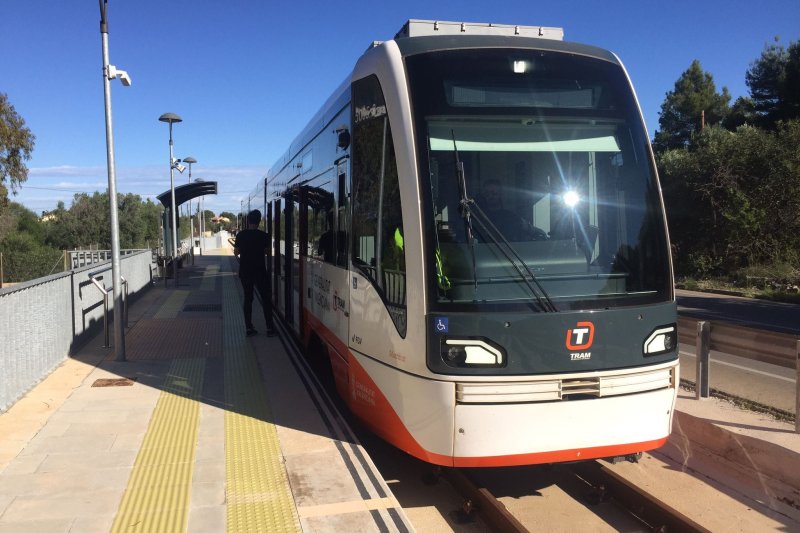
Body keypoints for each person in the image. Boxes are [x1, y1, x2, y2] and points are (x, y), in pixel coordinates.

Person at [234, 209, 275, 337]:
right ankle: (269, 328)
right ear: (259, 221)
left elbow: (236, 252)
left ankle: (249, 328)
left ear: (248, 221)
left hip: (245, 271)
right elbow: (268, 252)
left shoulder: (241, 235)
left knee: (248, 299)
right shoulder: (264, 236)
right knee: (266, 299)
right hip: (260, 272)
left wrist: (246, 250)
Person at [477, 179, 547, 241]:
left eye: (494, 193)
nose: (490, 196)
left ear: (500, 194)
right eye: (487, 193)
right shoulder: (478, 219)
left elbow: (539, 233)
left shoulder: (512, 218)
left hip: (510, 255)